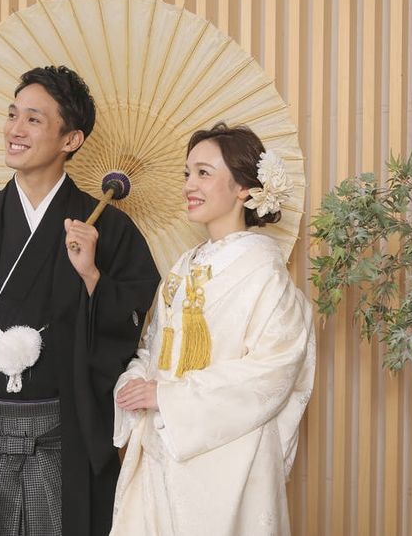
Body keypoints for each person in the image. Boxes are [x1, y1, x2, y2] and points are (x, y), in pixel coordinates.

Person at [0, 65, 160, 535]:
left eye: (33, 119)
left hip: (61, 440)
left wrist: (92, 276)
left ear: (71, 139)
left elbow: (131, 322)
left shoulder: (106, 229)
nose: (15, 129)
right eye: (13, 115)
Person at [110, 122, 316, 536]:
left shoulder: (265, 274)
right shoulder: (183, 267)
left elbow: (272, 371)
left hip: (231, 460)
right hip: (163, 447)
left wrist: (168, 395)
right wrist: (136, 380)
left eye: (204, 173)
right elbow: (154, 346)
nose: (189, 184)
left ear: (243, 188)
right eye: (187, 173)